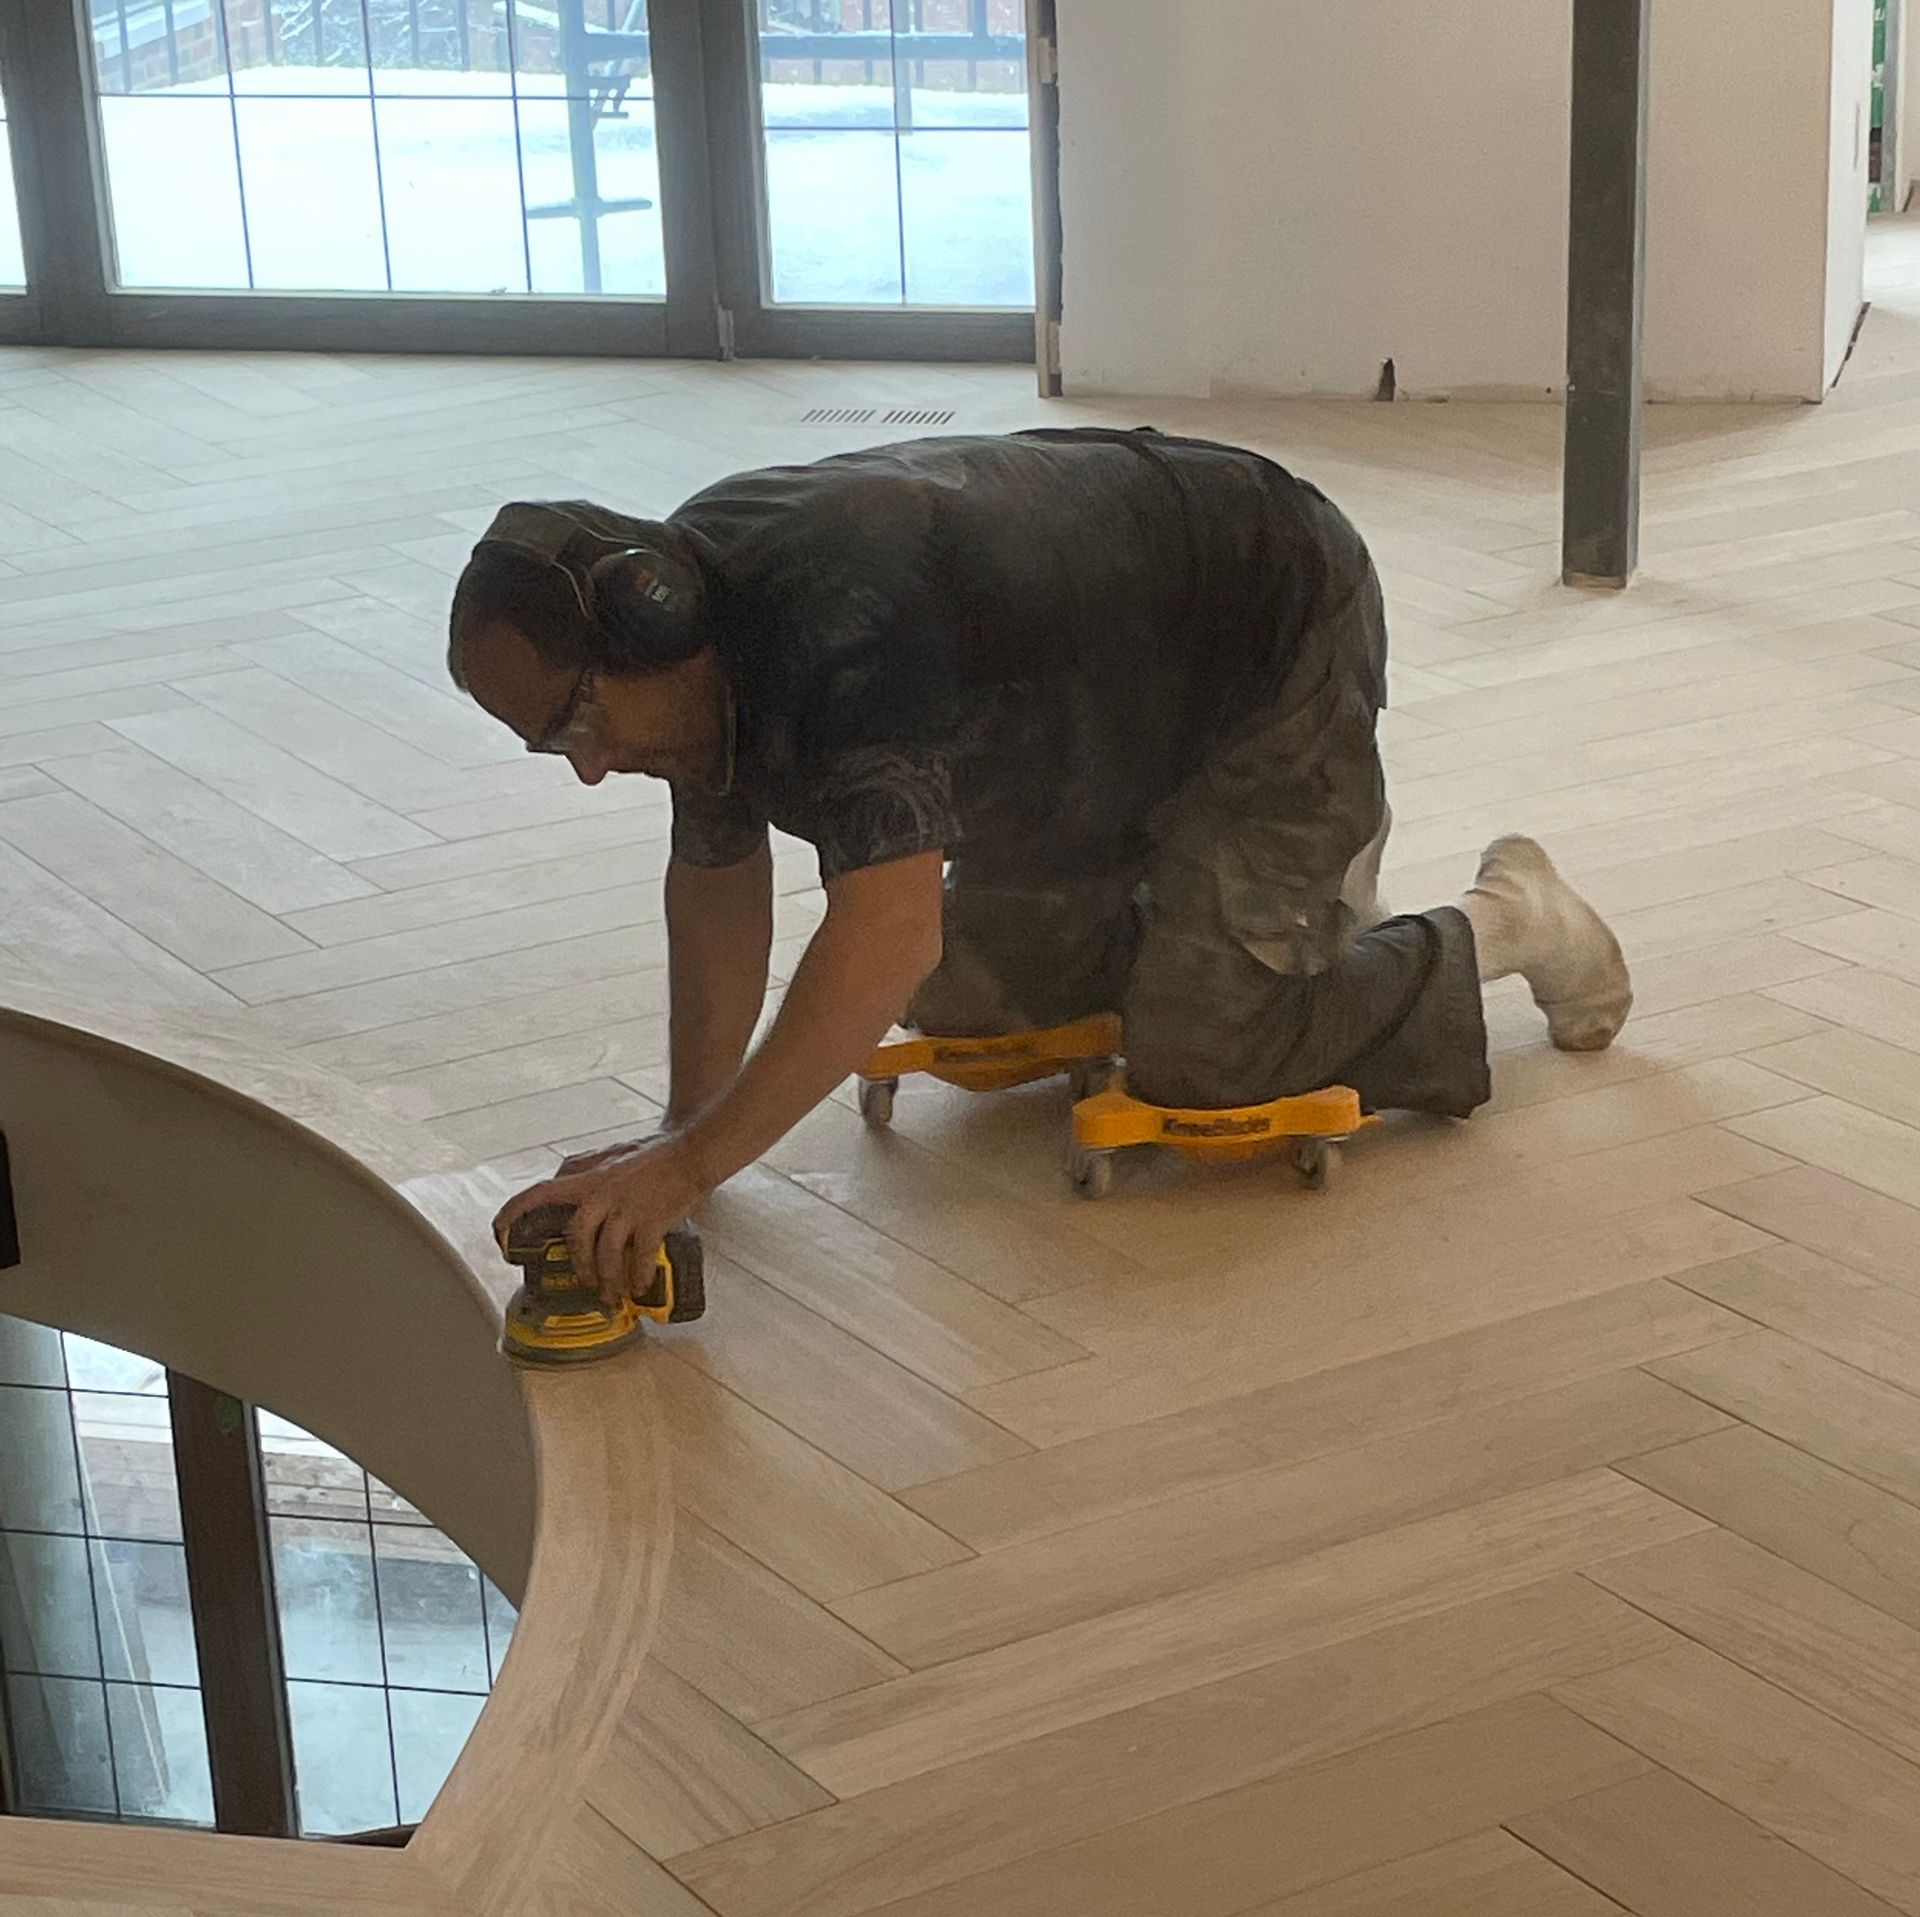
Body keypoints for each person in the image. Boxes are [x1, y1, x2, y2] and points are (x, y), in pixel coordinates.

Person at [448, 429, 1631, 1299]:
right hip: (1082, 729)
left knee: (1209, 1050)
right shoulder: (688, 669)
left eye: (577, 725)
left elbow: (882, 931)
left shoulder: (840, 632)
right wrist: (682, 1140)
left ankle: (1504, 915)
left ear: (649, 615)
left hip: (1262, 644)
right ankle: (1219, 915)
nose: (589, 768)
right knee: (959, 992)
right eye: (552, 749)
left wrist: (689, 1164)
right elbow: (717, 888)